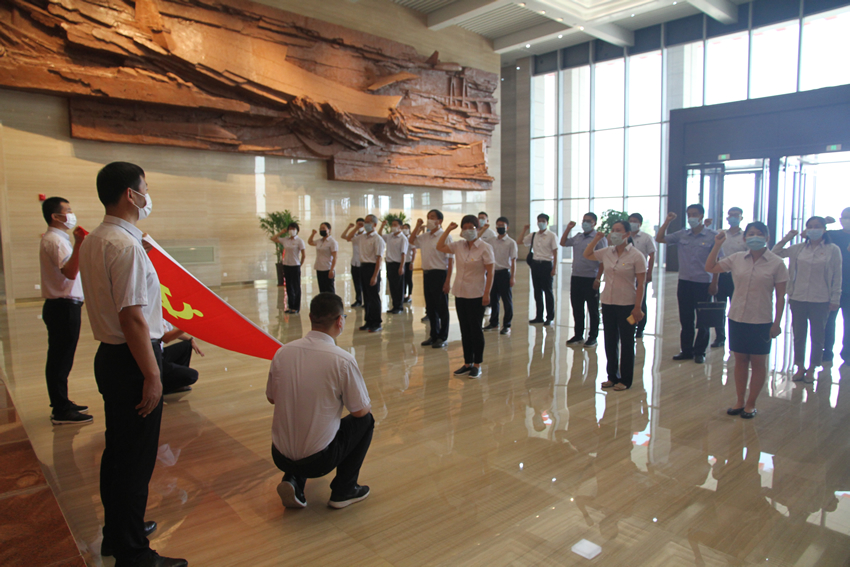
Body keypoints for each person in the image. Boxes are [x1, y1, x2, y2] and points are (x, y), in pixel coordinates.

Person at [79, 162, 187, 567]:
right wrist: (153, 375)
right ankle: (134, 554)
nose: (147, 195)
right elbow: (132, 318)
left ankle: (118, 532)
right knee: (135, 461)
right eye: (145, 187)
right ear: (130, 194)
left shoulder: (95, 240)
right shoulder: (125, 247)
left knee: (119, 452)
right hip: (132, 360)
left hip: (111, 357)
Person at [267, 293, 373, 509]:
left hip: (279, 456)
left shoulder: (282, 352)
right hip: (319, 461)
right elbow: (360, 412)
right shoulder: (342, 360)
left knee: (300, 409)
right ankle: (344, 490)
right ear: (340, 321)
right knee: (366, 421)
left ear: (310, 317)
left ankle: (293, 479)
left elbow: (271, 397)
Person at [706, 222, 788, 418]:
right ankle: (739, 400)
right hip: (737, 317)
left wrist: (777, 323)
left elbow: (780, 297)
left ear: (767, 237)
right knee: (740, 361)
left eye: (759, 234)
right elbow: (710, 267)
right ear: (745, 238)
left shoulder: (777, 263)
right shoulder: (737, 258)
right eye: (751, 234)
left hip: (761, 319)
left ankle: (751, 403)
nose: (755, 237)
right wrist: (717, 245)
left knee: (758, 362)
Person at [39, 196, 92, 425]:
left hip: (63, 306)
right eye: (67, 210)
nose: (71, 214)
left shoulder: (58, 238)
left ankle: (63, 402)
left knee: (62, 357)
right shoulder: (56, 241)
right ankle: (60, 409)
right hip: (62, 306)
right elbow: (70, 273)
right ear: (55, 216)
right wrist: (79, 244)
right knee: (60, 359)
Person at [773, 216, 843, 382]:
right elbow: (775, 253)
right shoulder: (798, 248)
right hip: (798, 297)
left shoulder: (832, 249)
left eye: (817, 226)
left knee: (818, 336)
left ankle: (812, 368)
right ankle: (799, 366)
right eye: (810, 226)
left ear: (824, 229)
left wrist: (835, 298)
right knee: (798, 335)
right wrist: (789, 237)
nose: (813, 229)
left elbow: (837, 276)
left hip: (821, 299)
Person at [583, 220, 646, 391]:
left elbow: (641, 284)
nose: (614, 233)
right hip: (608, 302)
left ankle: (625, 379)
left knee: (627, 342)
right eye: (613, 230)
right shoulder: (607, 252)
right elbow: (587, 254)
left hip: (627, 304)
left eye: (618, 230)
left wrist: (638, 307)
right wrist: (596, 239)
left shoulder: (636, 255)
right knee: (610, 340)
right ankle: (612, 376)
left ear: (627, 234)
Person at [656, 204, 719, 364]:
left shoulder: (712, 236)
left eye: (695, 214)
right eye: (689, 214)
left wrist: (714, 283)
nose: (691, 217)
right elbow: (660, 238)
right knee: (686, 319)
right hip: (684, 282)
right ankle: (686, 350)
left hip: (703, 282)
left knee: (703, 320)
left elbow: (717, 261)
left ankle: (700, 352)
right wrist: (667, 221)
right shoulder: (682, 234)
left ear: (702, 216)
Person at [437, 215, 495, 378]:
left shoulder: (485, 247)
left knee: (476, 330)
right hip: (460, 293)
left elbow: (491, 272)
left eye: (471, 227)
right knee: (465, 330)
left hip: (476, 294)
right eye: (465, 227)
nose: (468, 230)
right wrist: (448, 230)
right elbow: (440, 246)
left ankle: (477, 364)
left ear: (477, 229)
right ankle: (467, 362)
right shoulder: (458, 245)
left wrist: (487, 293)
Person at [561, 213, 607, 346]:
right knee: (577, 307)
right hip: (576, 277)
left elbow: (603, 261)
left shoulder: (599, 238)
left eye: (588, 221)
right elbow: (563, 242)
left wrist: (598, 279)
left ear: (594, 223)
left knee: (592, 309)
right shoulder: (578, 236)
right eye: (584, 220)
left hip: (591, 278)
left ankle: (593, 336)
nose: (585, 223)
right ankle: (578, 335)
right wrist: (568, 229)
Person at [410, 210, 453, 348]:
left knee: (442, 308)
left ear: (439, 221)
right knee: (430, 307)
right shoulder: (425, 236)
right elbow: (411, 240)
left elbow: (450, 260)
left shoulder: (445, 237)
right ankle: (433, 335)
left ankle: (443, 337)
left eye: (432, 217)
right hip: (427, 274)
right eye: (428, 217)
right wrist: (417, 226)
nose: (429, 220)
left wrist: (448, 281)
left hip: (440, 274)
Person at [710, 207, 748, 349]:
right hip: (721, 275)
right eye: (730, 215)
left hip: (738, 276)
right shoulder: (721, 234)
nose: (733, 217)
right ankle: (720, 337)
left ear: (741, 218)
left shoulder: (745, 237)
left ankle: (738, 337)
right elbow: (715, 256)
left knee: (737, 308)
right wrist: (714, 281)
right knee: (719, 308)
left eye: (736, 215)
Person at [347, 215, 385, 332]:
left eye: (368, 222)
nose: (365, 224)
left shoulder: (378, 239)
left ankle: (377, 322)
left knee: (373, 297)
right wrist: (356, 227)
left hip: (372, 268)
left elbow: (379, 259)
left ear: (374, 224)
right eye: (365, 222)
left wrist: (374, 276)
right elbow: (348, 237)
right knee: (366, 296)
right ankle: (368, 321)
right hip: (362, 267)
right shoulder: (362, 237)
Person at [519, 214, 559, 326]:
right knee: (537, 291)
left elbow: (555, 252)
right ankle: (539, 316)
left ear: (547, 222)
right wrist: (524, 230)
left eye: (543, 221)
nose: (541, 223)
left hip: (546, 265)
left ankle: (549, 317)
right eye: (539, 221)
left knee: (548, 291)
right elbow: (520, 241)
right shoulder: (533, 235)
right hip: (535, 265)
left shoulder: (551, 235)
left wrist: (554, 268)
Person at [824, 207, 850, 366]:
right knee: (828, 323)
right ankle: (826, 353)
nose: (846, 220)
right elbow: (809, 235)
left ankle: (847, 354)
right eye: (845, 217)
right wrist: (823, 222)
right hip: (832, 287)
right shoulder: (833, 235)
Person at [482, 216, 517, 335]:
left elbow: (513, 261)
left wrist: (513, 277)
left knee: (506, 300)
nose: (500, 228)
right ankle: (494, 323)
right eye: (498, 226)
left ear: (507, 227)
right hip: (492, 273)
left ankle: (507, 325)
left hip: (504, 273)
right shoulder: (491, 240)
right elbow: (478, 242)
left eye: (502, 226)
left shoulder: (511, 242)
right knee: (493, 299)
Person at [627, 213, 656, 339]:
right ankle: (630, 325)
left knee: (641, 301)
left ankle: (640, 328)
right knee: (628, 301)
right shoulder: (625, 236)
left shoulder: (646, 237)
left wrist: (649, 273)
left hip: (640, 274)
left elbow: (652, 255)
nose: (632, 223)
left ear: (640, 224)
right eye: (630, 221)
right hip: (627, 274)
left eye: (635, 221)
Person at [161, 322, 204, 395]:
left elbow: (170, 331)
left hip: (160, 352)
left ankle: (176, 384)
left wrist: (191, 339)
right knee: (192, 376)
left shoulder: (162, 317)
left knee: (187, 345)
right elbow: (165, 338)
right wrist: (188, 327)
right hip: (151, 358)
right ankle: (160, 389)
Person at [271, 222, 306, 314]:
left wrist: (300, 264)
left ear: (297, 230)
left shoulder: (299, 241)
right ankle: (291, 306)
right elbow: (273, 238)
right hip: (286, 265)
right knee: (289, 286)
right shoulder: (285, 239)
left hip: (295, 266)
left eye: (293, 229)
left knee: (296, 286)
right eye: (290, 229)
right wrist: (281, 232)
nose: (292, 230)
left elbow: (304, 255)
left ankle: (296, 307)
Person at [381, 218, 409, 314]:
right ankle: (394, 305)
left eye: (395, 224)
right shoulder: (390, 236)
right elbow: (379, 236)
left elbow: (403, 254)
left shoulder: (403, 239)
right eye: (392, 224)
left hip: (398, 264)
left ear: (400, 227)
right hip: (390, 264)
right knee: (392, 286)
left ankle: (399, 306)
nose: (393, 226)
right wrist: (382, 225)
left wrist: (401, 267)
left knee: (399, 286)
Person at [308, 222, 338, 294]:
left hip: (327, 268)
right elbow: (310, 242)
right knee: (322, 289)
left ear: (329, 230)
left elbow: (335, 257)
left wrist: (332, 270)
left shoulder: (332, 242)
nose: (322, 230)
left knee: (329, 289)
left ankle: (331, 301)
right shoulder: (319, 241)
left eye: (323, 228)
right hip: (319, 268)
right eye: (320, 228)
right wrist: (313, 234)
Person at [341, 218, 365, 307]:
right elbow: (344, 236)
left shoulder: (366, 235)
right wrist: (350, 227)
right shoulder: (354, 235)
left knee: (364, 283)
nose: (360, 226)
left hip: (363, 263)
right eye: (358, 224)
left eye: (361, 224)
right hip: (354, 262)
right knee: (356, 283)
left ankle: (366, 301)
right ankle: (358, 300)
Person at [402, 223, 416, 303]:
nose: (404, 229)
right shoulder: (401, 237)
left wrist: (412, 262)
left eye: (406, 228)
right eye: (403, 227)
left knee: (409, 279)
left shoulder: (410, 239)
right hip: (402, 262)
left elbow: (414, 251)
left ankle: (409, 295)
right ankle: (404, 294)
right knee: (403, 279)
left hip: (408, 261)